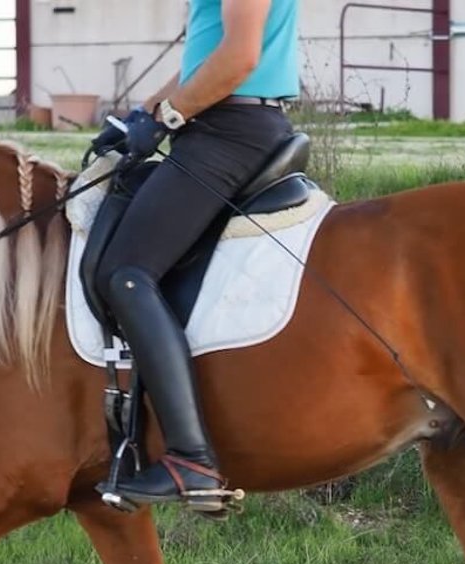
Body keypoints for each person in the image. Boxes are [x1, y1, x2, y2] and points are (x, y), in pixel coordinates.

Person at [92, 0, 299, 512]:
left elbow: (239, 58)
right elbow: (201, 61)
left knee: (127, 273)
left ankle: (190, 459)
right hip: (216, 126)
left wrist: (168, 116)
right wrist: (139, 116)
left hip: (230, 131)